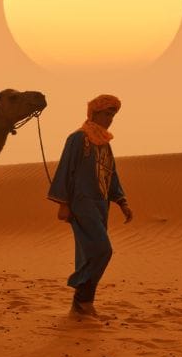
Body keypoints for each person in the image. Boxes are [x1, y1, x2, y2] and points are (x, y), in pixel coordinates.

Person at [48, 94, 134, 318]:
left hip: (100, 205)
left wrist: (122, 202)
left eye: (113, 115)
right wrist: (63, 203)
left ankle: (83, 305)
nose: (110, 119)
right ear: (94, 113)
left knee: (88, 253)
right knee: (102, 250)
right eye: (107, 113)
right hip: (81, 203)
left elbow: (111, 173)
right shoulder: (77, 139)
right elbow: (66, 170)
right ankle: (79, 291)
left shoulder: (104, 143)